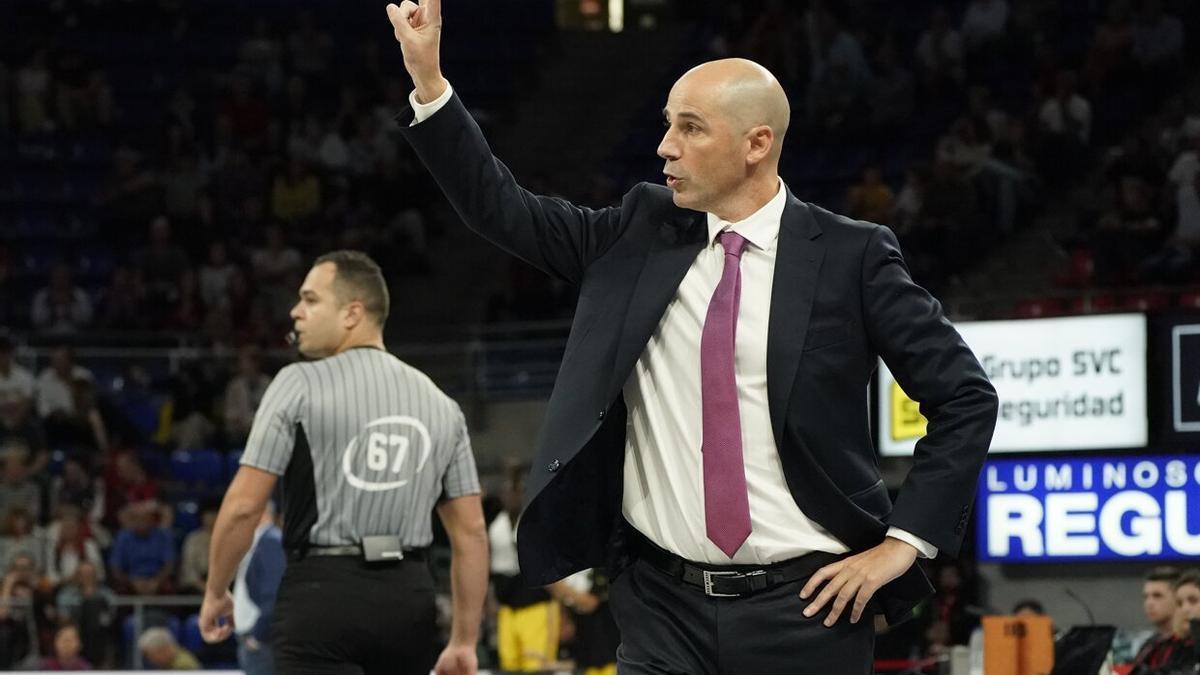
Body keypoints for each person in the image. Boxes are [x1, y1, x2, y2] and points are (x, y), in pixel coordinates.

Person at [388, 2, 998, 673]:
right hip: (659, 608)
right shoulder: (638, 230)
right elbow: (503, 210)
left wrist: (905, 542)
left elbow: (965, 397)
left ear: (756, 143)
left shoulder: (851, 257)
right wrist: (430, 85)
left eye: (690, 128)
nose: (665, 147)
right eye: (666, 125)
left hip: (809, 608)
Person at [199, 250, 487, 675]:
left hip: (322, 594)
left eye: (311, 300)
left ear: (352, 313)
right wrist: (464, 640)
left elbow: (244, 506)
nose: (295, 312)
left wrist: (216, 589)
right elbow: (471, 532)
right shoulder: (442, 405)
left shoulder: (297, 383)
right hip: (409, 601)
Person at [232, 502, 285, 675]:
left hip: (262, 640)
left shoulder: (271, 542)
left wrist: (258, 636)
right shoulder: (259, 542)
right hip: (256, 638)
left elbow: (274, 594)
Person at [1133, 567, 1185, 672]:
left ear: (1178, 599)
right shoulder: (1148, 646)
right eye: (1146, 597)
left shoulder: (1189, 647)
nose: (1149, 603)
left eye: (1157, 596)